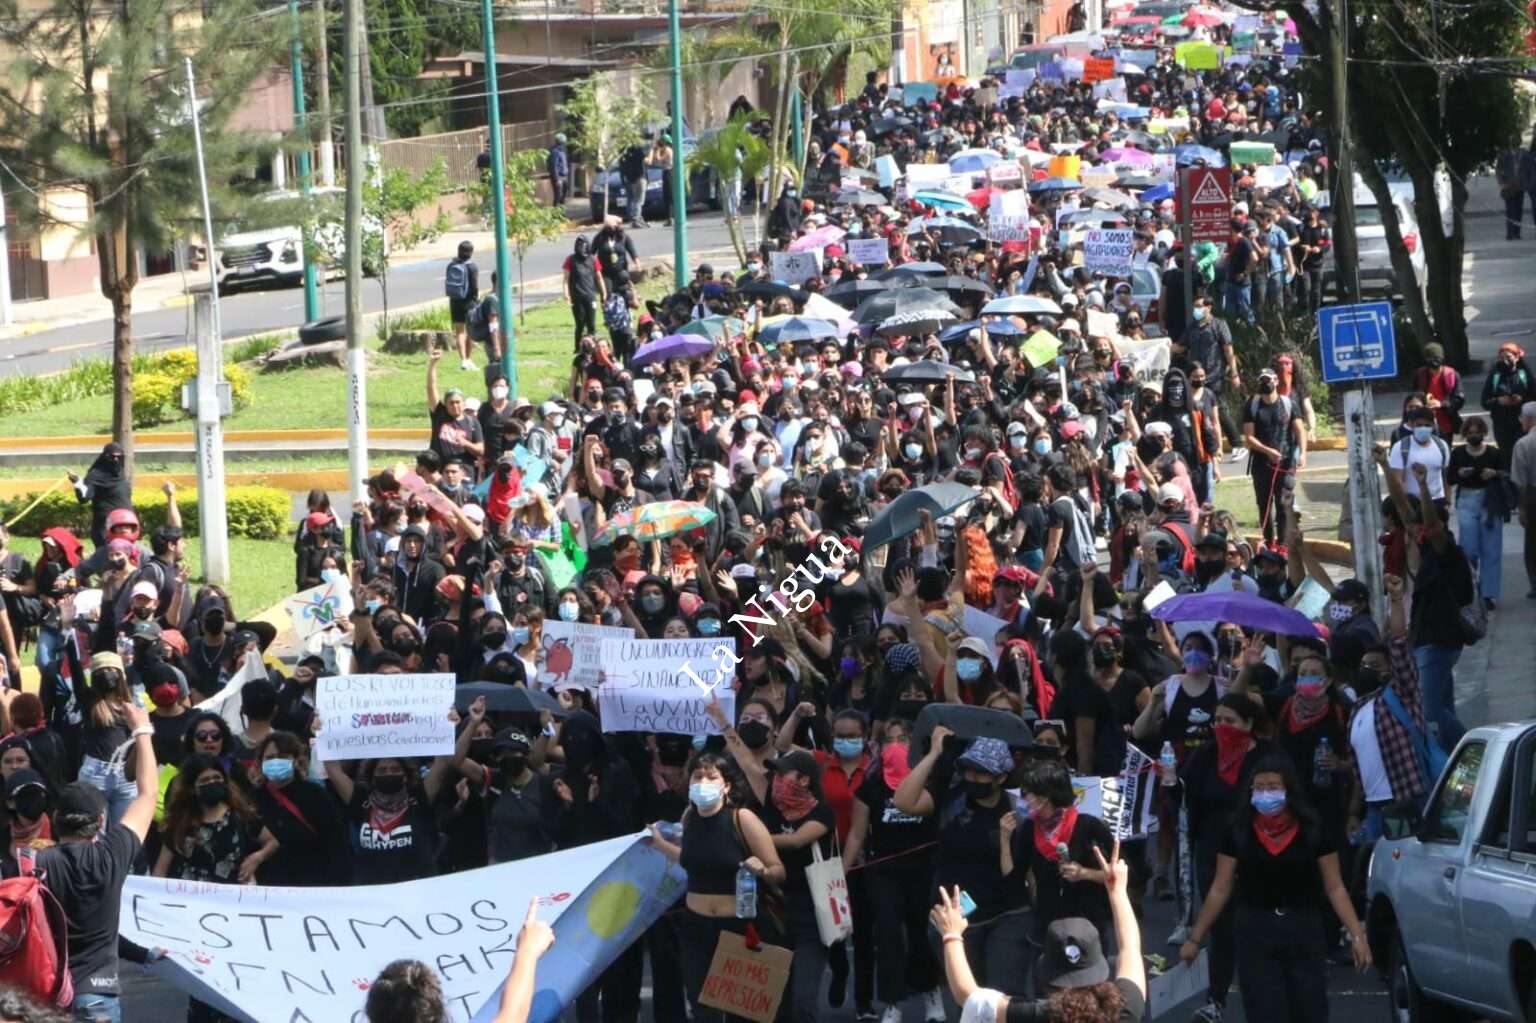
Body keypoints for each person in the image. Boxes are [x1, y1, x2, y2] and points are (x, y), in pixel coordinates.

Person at [1178, 753, 1371, 1023]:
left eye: (1273, 787)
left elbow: (1335, 886)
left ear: (1288, 790)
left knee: (1310, 1008)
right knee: (1265, 1009)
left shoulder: (1313, 829)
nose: (1265, 795)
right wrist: (1195, 938)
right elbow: (1220, 889)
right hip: (1255, 930)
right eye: (1259, 788)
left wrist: (1357, 935)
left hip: (1304, 928)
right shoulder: (1238, 830)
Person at [930, 838, 1146, 1023]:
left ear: (1046, 971)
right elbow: (1130, 949)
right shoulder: (1125, 1008)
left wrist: (951, 934)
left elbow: (967, 996)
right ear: (1099, 966)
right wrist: (1117, 891)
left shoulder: (1038, 1014)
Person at [35, 695, 156, 1023]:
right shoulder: (113, 854)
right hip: (99, 995)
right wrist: (141, 730)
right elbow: (147, 794)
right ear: (102, 821)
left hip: (47, 994)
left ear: (56, 819)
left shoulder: (35, 863)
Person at [647, 752, 786, 1023]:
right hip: (695, 927)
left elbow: (778, 871)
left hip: (737, 927)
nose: (703, 782)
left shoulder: (741, 819)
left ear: (727, 785)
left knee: (741, 1012)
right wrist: (661, 846)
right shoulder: (689, 818)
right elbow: (692, 860)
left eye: (712, 777)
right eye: (698, 777)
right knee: (702, 1007)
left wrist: (763, 870)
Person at [1243, 367, 1306, 546]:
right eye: (1262, 381)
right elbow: (1249, 437)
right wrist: (1268, 451)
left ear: (1276, 381)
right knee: (1264, 506)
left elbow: (1300, 430)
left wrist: (1302, 454)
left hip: (1285, 464)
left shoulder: (1288, 404)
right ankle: (1269, 542)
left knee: (1284, 505)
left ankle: (1284, 545)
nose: (1265, 384)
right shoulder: (1252, 405)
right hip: (1261, 465)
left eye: (1268, 380)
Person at [1449, 418, 1504, 611]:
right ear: (1465, 435)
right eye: (1470, 433)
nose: (1474, 436)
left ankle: (1489, 593)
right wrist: (1460, 474)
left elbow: (1505, 473)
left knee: (1492, 549)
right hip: (1467, 498)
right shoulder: (1458, 454)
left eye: (1477, 432)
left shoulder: (1493, 453)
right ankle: (1470, 589)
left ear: (1483, 433)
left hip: (1490, 500)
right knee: (1468, 549)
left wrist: (1494, 474)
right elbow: (1450, 477)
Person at [68, 443, 131, 548]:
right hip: (105, 530)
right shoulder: (96, 475)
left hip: (125, 527)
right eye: (112, 457)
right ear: (105, 457)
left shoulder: (120, 473)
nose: (115, 460)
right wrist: (77, 482)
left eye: (119, 457)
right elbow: (85, 497)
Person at [1481, 343, 1534, 468]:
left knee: (1523, 456)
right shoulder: (1495, 376)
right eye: (1501, 357)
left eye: (1508, 357)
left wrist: (1522, 400)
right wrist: (1498, 401)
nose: (1504, 361)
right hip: (1501, 425)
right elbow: (1484, 402)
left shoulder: (1525, 376)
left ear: (1517, 357)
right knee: (1506, 457)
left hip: (1522, 425)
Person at [444, 240, 480, 371]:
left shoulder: (451, 265)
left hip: (454, 300)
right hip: (469, 301)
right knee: (470, 331)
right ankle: (468, 359)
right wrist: (476, 300)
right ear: (471, 252)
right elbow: (475, 286)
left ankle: (463, 360)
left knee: (459, 332)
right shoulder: (472, 267)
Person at [564, 237, 606, 347]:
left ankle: (592, 347)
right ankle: (578, 347)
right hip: (577, 297)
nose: (582, 248)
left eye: (584, 245)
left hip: (590, 296)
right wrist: (567, 295)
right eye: (579, 245)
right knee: (580, 324)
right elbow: (565, 280)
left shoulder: (593, 259)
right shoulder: (571, 260)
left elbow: (599, 277)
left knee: (591, 324)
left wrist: (604, 293)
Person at [1513, 402, 1536, 599]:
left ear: (1529, 420)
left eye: (1522, 417)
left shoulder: (1523, 444)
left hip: (1532, 495)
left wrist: (1522, 509)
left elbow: (1521, 482)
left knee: (1532, 541)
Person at [547, 132, 570, 209]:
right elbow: (553, 166)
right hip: (558, 177)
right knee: (558, 196)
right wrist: (557, 179)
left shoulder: (562, 151)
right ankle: (555, 216)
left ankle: (561, 214)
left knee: (563, 196)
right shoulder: (555, 152)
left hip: (564, 176)